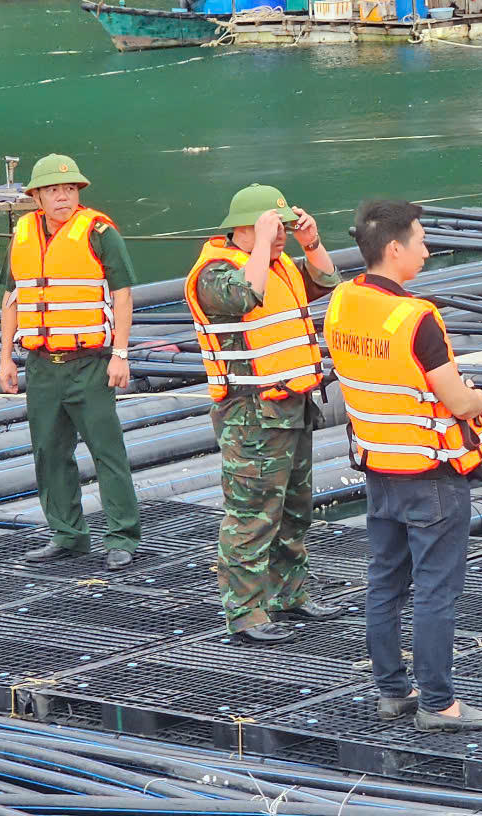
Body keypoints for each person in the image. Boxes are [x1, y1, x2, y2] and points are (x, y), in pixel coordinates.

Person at [327, 200, 482, 733]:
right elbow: (454, 396)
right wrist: (480, 400)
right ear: (395, 248)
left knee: (384, 583)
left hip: (379, 469)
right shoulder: (417, 316)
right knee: (434, 591)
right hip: (431, 475)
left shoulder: (342, 301)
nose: (427, 251)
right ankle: (439, 703)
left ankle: (392, 693)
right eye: (421, 242)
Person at [184, 184, 342, 644]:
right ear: (240, 229)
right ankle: (246, 612)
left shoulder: (280, 266)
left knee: (295, 509)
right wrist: (264, 241)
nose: (279, 239)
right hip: (250, 414)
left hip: (292, 405)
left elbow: (327, 282)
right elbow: (246, 295)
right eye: (270, 229)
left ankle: (288, 594)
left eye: (281, 230)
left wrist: (310, 242)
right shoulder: (215, 272)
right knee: (253, 514)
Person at [0, 154, 141, 571]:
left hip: (91, 362)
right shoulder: (22, 233)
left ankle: (122, 536)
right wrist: (6, 357)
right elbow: (11, 300)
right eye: (54, 190)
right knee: (48, 450)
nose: (63, 196)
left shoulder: (100, 231)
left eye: (69, 189)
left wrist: (121, 353)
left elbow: (124, 294)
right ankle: (67, 534)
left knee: (106, 449)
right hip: (41, 364)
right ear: (37, 196)